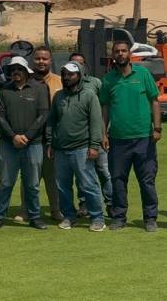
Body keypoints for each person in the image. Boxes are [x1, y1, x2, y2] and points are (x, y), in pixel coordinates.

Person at [101, 40, 161, 232]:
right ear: (113, 55)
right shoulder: (108, 79)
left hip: (144, 137)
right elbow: (105, 107)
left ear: (130, 54)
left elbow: (154, 101)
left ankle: (150, 218)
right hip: (118, 139)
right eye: (117, 51)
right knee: (118, 180)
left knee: (147, 181)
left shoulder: (143, 74)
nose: (120, 54)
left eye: (124, 51)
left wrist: (157, 128)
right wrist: (103, 133)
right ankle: (119, 217)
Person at [0, 56, 49, 230]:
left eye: (19, 69)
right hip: (9, 144)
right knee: (5, 183)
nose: (16, 72)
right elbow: (0, 116)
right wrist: (13, 136)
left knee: (32, 184)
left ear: (26, 71)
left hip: (33, 144)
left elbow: (43, 115)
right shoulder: (3, 90)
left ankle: (35, 217)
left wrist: (27, 136)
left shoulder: (39, 89)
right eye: (12, 69)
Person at [48, 62, 106, 232]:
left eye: (71, 74)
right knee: (62, 186)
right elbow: (52, 121)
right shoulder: (58, 96)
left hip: (82, 148)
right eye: (64, 74)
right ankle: (69, 216)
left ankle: (97, 218)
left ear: (79, 75)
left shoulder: (89, 96)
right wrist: (50, 142)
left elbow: (96, 122)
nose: (67, 77)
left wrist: (94, 146)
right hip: (60, 149)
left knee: (89, 184)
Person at [69, 52, 110, 217]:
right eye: (74, 63)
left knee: (104, 171)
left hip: (97, 135)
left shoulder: (95, 82)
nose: (78, 65)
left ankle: (111, 203)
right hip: (79, 138)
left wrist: (104, 133)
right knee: (82, 174)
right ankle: (84, 204)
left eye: (80, 63)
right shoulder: (66, 84)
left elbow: (104, 107)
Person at [31, 46, 64, 222]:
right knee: (30, 177)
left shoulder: (60, 82)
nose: (41, 62)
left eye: (44, 58)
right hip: (32, 138)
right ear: (32, 60)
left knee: (53, 178)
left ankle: (56, 209)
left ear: (51, 61)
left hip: (54, 139)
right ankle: (27, 209)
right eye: (38, 58)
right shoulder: (26, 82)